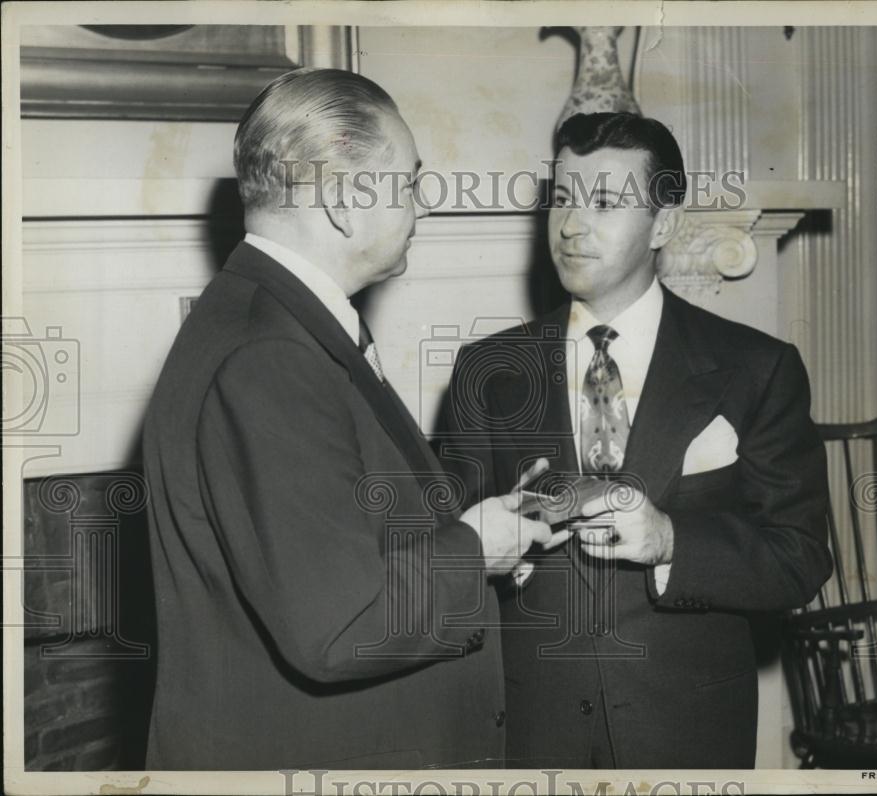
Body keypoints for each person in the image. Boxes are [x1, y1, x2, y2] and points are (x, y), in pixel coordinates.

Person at [142, 67, 550, 770]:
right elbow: (339, 625)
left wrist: (482, 529)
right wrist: (474, 550)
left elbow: (340, 532)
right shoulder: (271, 357)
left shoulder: (275, 321)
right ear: (343, 200)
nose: (424, 208)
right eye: (410, 184)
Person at [438, 112, 833, 769]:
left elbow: (800, 558)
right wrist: (505, 548)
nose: (571, 225)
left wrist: (671, 540)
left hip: (689, 736)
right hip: (531, 734)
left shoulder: (757, 368)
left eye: (603, 203)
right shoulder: (486, 370)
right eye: (562, 198)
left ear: (664, 224)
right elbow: (446, 554)